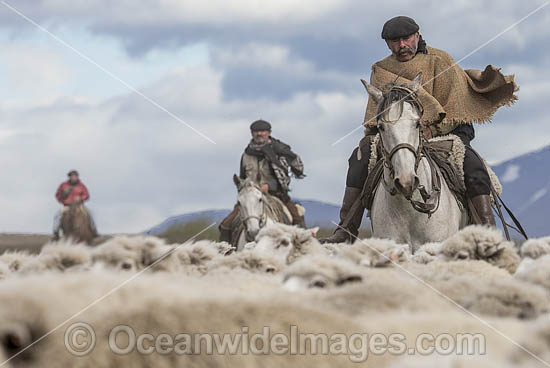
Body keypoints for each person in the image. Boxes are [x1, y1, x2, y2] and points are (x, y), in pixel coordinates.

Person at [321, 16, 518, 243]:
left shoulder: (440, 60)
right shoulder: (380, 69)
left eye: (406, 39)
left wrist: (431, 131)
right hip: (396, 135)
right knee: (359, 156)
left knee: (472, 165)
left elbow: (455, 108)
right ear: (387, 44)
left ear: (417, 36)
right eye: (394, 41)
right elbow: (376, 117)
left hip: (448, 134)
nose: (401, 45)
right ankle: (346, 231)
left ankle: (487, 234)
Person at [219, 120, 306, 242]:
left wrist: (269, 186)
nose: (259, 134)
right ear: (252, 133)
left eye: (262, 131)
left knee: (297, 218)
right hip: (250, 197)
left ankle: (302, 252)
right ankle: (227, 254)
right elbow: (242, 178)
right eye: (256, 131)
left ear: (269, 133)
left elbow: (285, 177)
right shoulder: (246, 155)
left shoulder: (278, 152)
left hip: (276, 195)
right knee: (226, 224)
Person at [53, 170, 97, 240]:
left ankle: (94, 230)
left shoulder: (81, 186)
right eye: (72, 176)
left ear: (77, 177)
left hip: (79, 206)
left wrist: (81, 198)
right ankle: (56, 233)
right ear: (69, 177)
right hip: (67, 206)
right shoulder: (63, 185)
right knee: (57, 216)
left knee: (90, 213)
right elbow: (58, 195)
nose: (73, 178)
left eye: (75, 176)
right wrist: (64, 200)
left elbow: (87, 195)